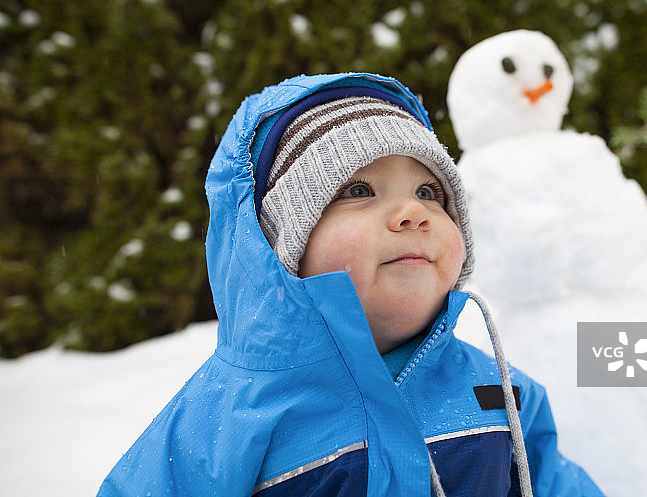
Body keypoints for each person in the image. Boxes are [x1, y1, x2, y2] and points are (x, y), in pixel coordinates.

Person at [98, 72, 603, 496]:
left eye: (429, 192)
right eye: (359, 190)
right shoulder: (223, 421)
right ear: (283, 244)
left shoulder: (497, 390)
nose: (413, 212)